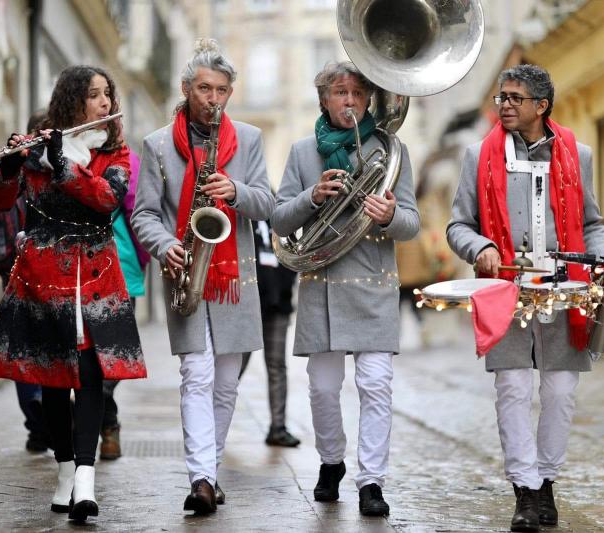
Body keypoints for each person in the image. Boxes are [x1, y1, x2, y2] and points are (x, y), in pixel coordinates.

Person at [446, 64, 604, 532]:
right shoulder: (477, 155)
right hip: (505, 292)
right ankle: (525, 490)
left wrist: (602, 266)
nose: (504, 105)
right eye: (502, 97)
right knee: (514, 389)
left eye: (516, 98)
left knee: (559, 392)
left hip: (564, 290)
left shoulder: (577, 155)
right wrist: (480, 248)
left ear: (542, 105)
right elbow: (458, 224)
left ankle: (547, 481)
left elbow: (593, 223)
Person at [0, 65, 147, 523]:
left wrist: (64, 163)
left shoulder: (116, 154)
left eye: (108, 94)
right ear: (73, 101)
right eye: (95, 95)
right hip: (42, 276)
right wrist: (10, 166)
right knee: (51, 378)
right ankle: (65, 471)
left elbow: (107, 199)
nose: (105, 103)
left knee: (91, 375)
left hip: (96, 276)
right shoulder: (39, 151)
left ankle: (87, 483)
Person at [131, 38, 274, 516]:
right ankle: (201, 479)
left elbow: (268, 203)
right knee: (197, 374)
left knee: (227, 383)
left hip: (235, 278)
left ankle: (208, 472)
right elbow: (145, 214)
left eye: (222, 91)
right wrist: (164, 244)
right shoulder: (155, 145)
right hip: (186, 271)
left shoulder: (249, 139)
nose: (214, 99)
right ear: (186, 88)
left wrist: (235, 190)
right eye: (205, 89)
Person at [271, 61, 419, 517]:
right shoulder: (301, 153)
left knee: (376, 385)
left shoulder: (392, 150)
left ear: (370, 99)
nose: (349, 101)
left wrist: (389, 215)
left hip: (372, 285)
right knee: (322, 387)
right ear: (324, 100)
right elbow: (278, 220)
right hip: (322, 285)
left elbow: (411, 225)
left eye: (358, 93)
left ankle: (371, 480)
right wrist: (311, 197)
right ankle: (331, 461)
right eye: (340, 92)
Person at [0, 110, 51, 453]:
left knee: (24, 345)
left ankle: (36, 420)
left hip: (13, 265)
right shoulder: (35, 163)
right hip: (36, 266)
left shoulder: (12, 160)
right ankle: (41, 413)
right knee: (42, 344)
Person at [100, 149, 150, 460]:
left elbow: (139, 212)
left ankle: (105, 421)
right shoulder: (129, 161)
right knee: (107, 353)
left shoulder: (129, 160)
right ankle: (108, 426)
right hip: (107, 266)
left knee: (107, 354)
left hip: (118, 267)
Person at [238, 219, 300, 447]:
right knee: (235, 366)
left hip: (278, 304)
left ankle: (278, 427)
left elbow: (293, 253)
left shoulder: (281, 216)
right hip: (248, 305)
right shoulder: (245, 212)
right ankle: (215, 423)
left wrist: (283, 286)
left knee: (277, 365)